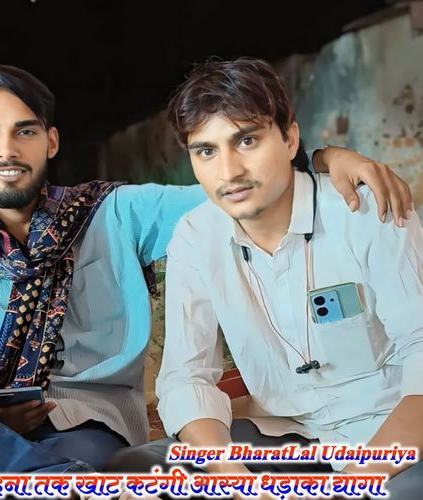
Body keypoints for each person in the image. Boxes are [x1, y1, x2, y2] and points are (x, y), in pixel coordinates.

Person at [0, 63, 413, 498]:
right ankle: (32, 481)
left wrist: (323, 159)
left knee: (107, 473)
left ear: (50, 141)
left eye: (24, 131)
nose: (6, 150)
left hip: (83, 426)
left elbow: (237, 193)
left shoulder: (114, 212)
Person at [107, 58, 423, 499]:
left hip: (392, 438)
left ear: (289, 137)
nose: (229, 171)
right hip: (291, 437)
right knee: (135, 470)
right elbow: (186, 377)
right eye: (206, 151)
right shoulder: (196, 236)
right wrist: (230, 474)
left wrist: (352, 484)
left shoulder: (364, 210)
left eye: (247, 140)